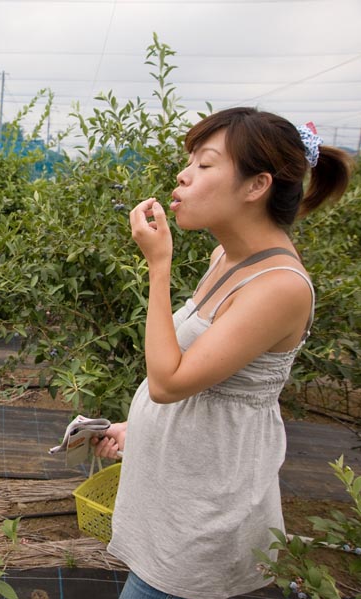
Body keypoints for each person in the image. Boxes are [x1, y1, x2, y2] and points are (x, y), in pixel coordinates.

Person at [92, 108, 352, 599]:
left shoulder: (279, 287)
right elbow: (208, 377)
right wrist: (138, 428)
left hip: (203, 517)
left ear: (256, 186)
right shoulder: (225, 258)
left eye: (206, 164)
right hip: (176, 497)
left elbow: (169, 382)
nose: (183, 175)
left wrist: (159, 266)